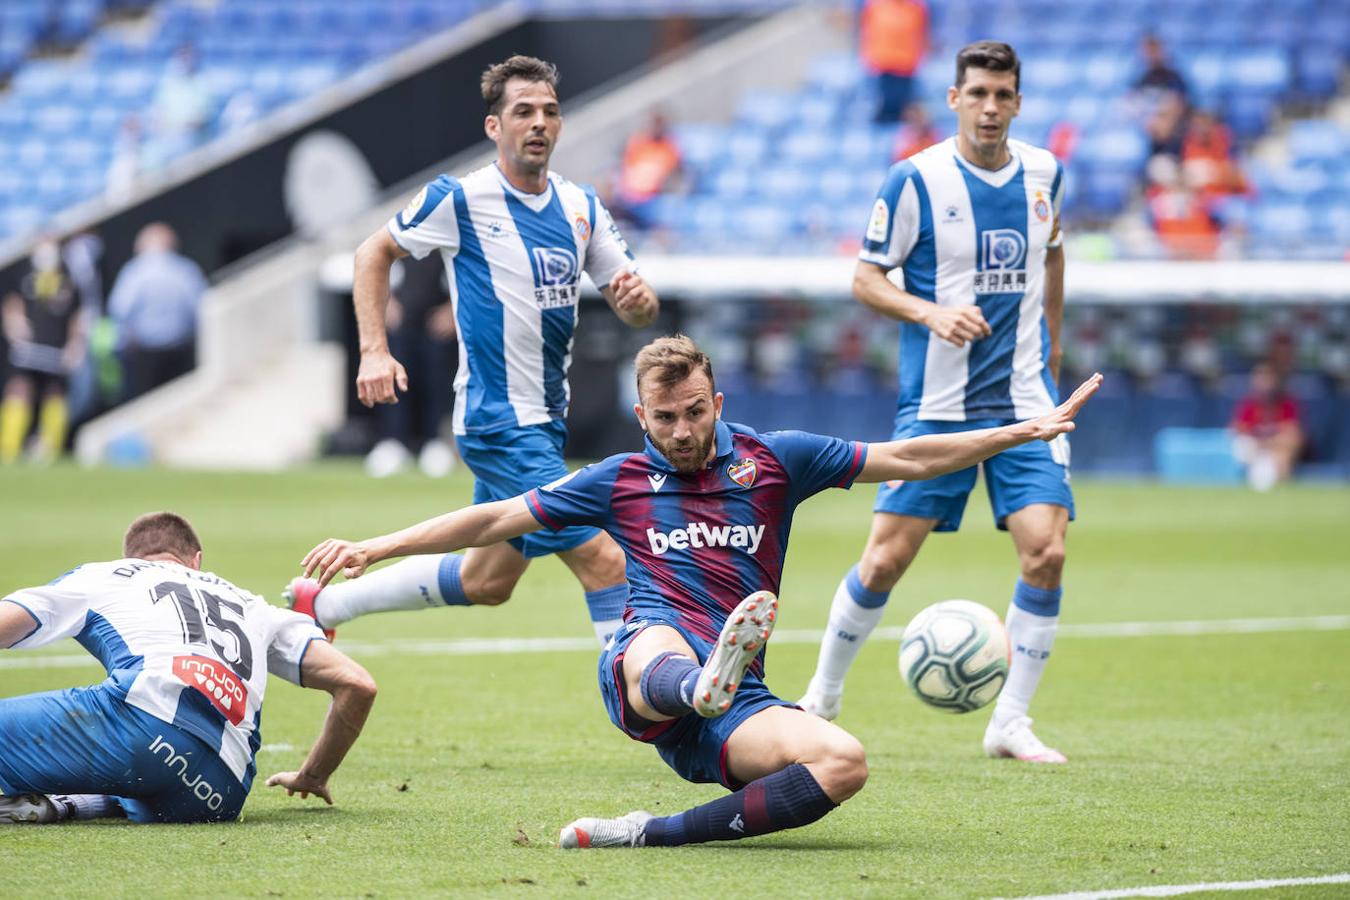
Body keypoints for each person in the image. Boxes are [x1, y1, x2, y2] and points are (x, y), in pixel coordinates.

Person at [297, 335, 1102, 848]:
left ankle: (654, 833)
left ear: (716, 404)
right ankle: (699, 679)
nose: (682, 431)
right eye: (664, 418)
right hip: (646, 672)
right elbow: (496, 516)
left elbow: (912, 458)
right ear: (641, 418)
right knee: (659, 642)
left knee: (844, 762)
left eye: (693, 413)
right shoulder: (620, 479)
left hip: (728, 708)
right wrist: (377, 546)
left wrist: (1019, 433)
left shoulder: (778, 459)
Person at [285, 55, 658, 647]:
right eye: (523, 112)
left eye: (549, 112)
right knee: (605, 560)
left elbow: (634, 304)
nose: (539, 123)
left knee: (490, 579)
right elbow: (370, 254)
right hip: (499, 421)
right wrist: (374, 350)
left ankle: (324, 603)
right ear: (494, 127)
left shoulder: (582, 206)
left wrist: (637, 301)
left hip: (545, 421)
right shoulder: (461, 199)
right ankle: (646, 702)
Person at [796, 41, 1077, 764]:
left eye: (1003, 95)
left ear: (1018, 102)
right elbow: (865, 278)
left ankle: (1009, 721)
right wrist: (929, 313)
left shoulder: (1046, 173)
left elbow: (1052, 253)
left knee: (1046, 551)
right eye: (977, 93)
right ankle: (821, 698)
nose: (990, 107)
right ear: (954, 99)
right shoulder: (915, 180)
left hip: (1023, 401)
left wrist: (1049, 340)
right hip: (939, 406)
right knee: (886, 558)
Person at [0, 512, 376, 825]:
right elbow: (357, 684)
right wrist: (313, 776)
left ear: (131, 557)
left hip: (143, 735)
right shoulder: (253, 605)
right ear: (196, 560)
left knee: (128, 737)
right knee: (143, 775)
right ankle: (69, 804)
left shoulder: (105, 575)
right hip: (220, 793)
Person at [363, 253, 459, 479]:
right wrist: (384, 301)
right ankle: (393, 442)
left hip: (437, 322)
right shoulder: (398, 231)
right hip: (401, 323)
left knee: (437, 382)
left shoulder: (451, 233)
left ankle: (435, 443)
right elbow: (376, 263)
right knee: (393, 379)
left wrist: (452, 310)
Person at [0, 238, 85, 464]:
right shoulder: (23, 275)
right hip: (27, 351)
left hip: (55, 352)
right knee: (19, 390)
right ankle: (9, 450)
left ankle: (51, 451)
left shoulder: (69, 281)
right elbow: (12, 306)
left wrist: (75, 344)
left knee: (55, 395)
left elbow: (77, 317)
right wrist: (14, 326)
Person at [106, 222, 208, 402]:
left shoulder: (134, 272)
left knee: (149, 403)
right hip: (181, 348)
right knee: (183, 399)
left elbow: (118, 310)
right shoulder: (186, 269)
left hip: (146, 353)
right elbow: (201, 307)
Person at [1231, 361, 1303, 491]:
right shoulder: (1249, 404)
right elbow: (1238, 429)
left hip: (1275, 451)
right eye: (1260, 378)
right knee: (1242, 445)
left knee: (1286, 449)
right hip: (1256, 452)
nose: (1264, 383)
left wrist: (1268, 442)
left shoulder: (1286, 403)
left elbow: (1292, 434)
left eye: (1268, 378)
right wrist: (1260, 442)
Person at [858, 0, 929, 125]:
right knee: (884, 109)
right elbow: (867, 33)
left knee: (904, 111)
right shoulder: (875, 6)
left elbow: (921, 34)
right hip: (883, 65)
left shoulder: (916, 8)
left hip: (906, 66)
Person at [615, 110, 682, 227]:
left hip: (653, 201)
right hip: (628, 199)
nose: (655, 128)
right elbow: (625, 170)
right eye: (653, 123)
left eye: (659, 124)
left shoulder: (670, 147)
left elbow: (674, 177)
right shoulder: (637, 143)